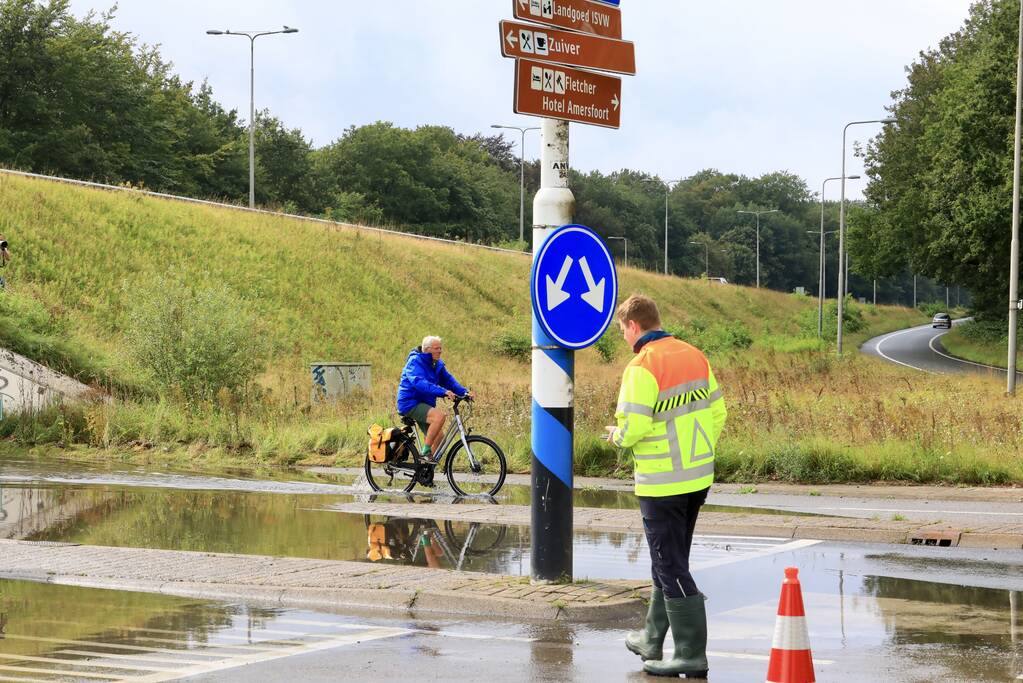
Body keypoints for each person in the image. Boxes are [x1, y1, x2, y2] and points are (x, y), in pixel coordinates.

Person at [604, 294, 727, 679]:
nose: (624, 337)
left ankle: (691, 653)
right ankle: (652, 638)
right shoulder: (694, 355)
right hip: (697, 477)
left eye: (623, 329)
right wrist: (696, 453)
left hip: (661, 482)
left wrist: (617, 437)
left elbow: (636, 426)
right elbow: (718, 412)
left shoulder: (641, 365)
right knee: (669, 560)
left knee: (670, 565)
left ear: (634, 326)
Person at [396, 335, 472, 461]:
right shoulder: (415, 362)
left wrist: (465, 392)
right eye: (437, 348)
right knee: (439, 417)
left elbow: (449, 381)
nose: (440, 351)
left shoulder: (437, 364)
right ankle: (425, 451)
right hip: (410, 402)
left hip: (425, 403)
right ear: (427, 349)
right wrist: (443, 392)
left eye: (440, 348)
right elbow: (420, 383)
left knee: (440, 439)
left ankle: (425, 468)